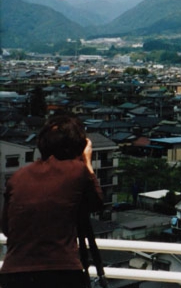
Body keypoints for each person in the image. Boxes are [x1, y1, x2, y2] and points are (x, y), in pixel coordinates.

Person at [0, 114, 104, 288]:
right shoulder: (77, 171)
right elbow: (96, 203)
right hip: (60, 272)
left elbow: (6, 228)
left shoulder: (17, 177)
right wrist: (86, 162)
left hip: (14, 273)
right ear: (79, 145)